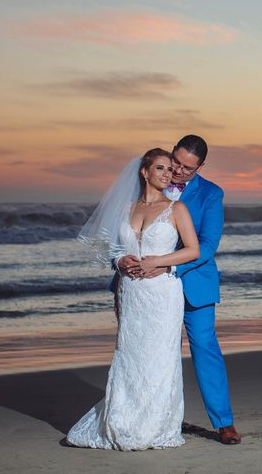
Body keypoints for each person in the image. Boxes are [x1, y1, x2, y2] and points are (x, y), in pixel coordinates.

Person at [67, 148, 199, 450]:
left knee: (159, 359)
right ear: (145, 172)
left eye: (170, 170)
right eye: (161, 169)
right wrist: (119, 262)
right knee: (129, 355)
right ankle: (121, 420)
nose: (168, 175)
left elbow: (193, 250)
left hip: (162, 293)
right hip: (131, 293)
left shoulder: (176, 209)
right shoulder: (125, 208)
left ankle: (156, 426)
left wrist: (161, 262)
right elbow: (115, 250)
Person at [117, 135, 241, 445]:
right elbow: (126, 233)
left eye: (189, 167)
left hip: (192, 283)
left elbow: (208, 245)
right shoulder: (151, 184)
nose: (180, 171)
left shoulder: (211, 194)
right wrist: (122, 261)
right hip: (146, 290)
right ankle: (154, 417)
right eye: (177, 163)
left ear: (200, 166)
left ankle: (224, 422)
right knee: (151, 352)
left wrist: (168, 266)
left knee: (204, 347)